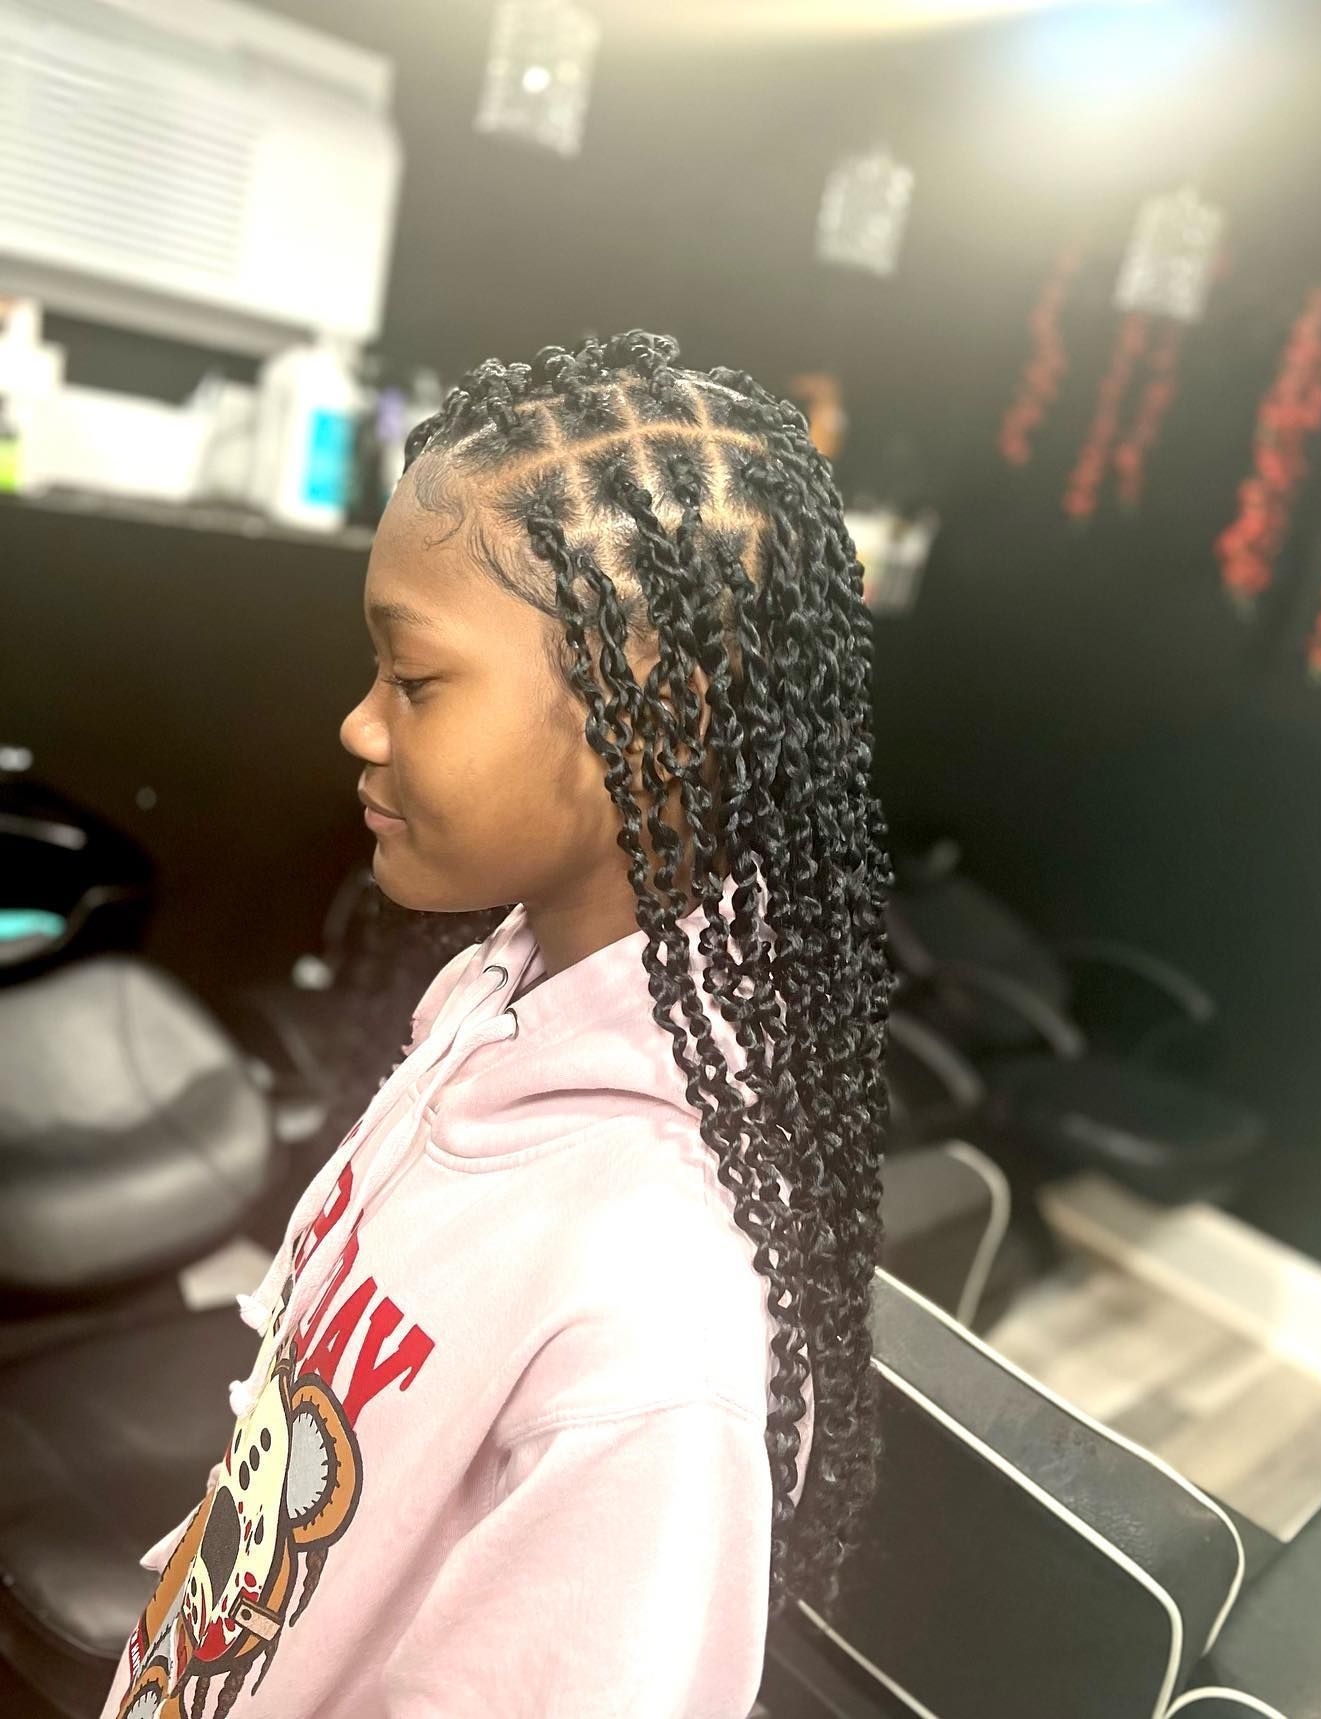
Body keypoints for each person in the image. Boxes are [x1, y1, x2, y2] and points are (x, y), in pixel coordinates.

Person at [99, 329, 892, 1719]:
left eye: (413, 681)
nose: (357, 726)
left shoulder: (651, 1327)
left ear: (657, 722)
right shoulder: (494, 992)